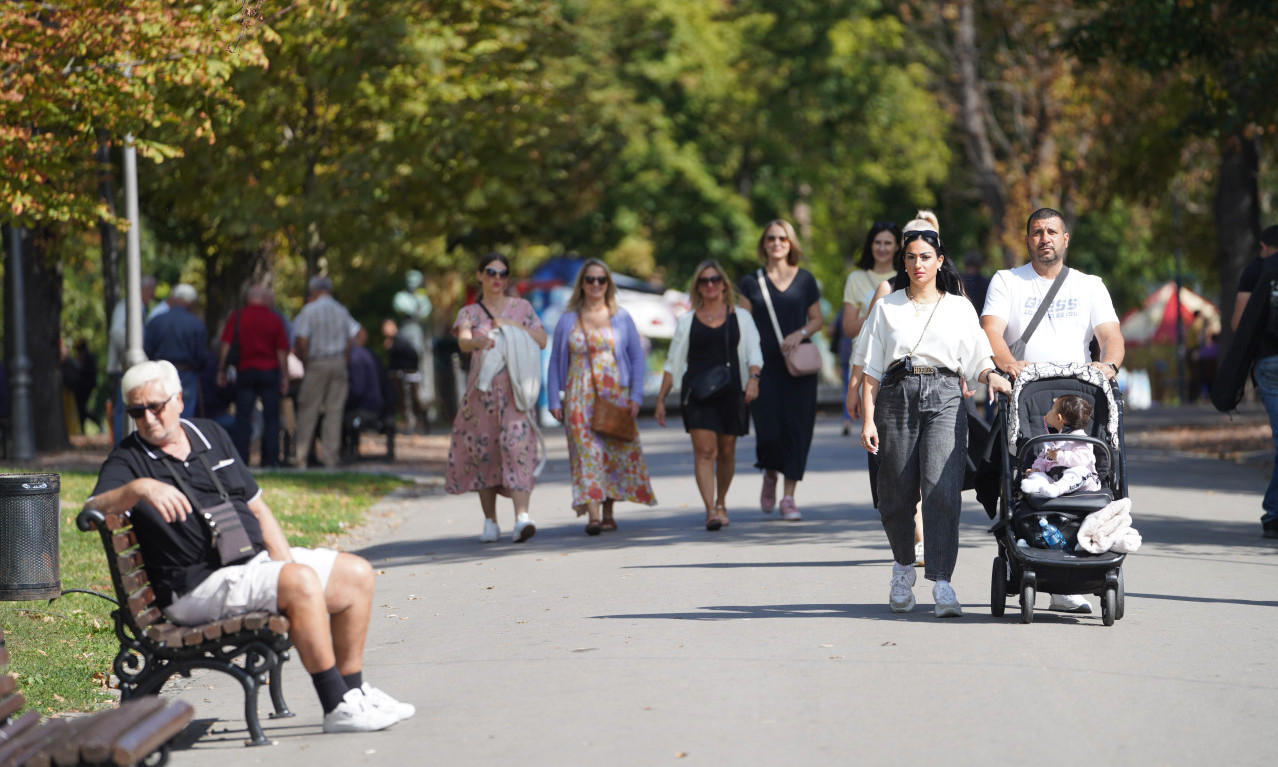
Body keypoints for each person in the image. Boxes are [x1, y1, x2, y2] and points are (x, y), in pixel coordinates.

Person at [82, 360, 413, 733]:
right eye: (136, 411)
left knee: (357, 574)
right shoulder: (130, 458)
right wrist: (138, 488)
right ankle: (335, 705)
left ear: (179, 400)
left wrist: (284, 565)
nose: (148, 418)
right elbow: (91, 508)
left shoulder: (209, 434)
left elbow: (257, 507)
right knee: (299, 581)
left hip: (247, 564)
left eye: (155, 407)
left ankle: (354, 693)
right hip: (194, 588)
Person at [857, 228, 1011, 617]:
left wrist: (990, 375)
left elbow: (978, 357)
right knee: (894, 493)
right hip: (896, 396)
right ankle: (903, 567)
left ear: (939, 261)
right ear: (903, 263)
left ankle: (942, 582)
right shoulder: (886, 307)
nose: (918, 264)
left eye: (926, 257)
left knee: (941, 489)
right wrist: (867, 420)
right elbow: (871, 371)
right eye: (911, 257)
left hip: (944, 395)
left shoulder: (958, 306)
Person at [981, 207, 1126, 610]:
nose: (1044, 238)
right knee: (1027, 474)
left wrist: (1109, 365)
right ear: (1028, 240)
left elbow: (1110, 335)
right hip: (1026, 394)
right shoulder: (1007, 281)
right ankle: (1034, 550)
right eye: (1036, 232)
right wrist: (1006, 362)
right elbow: (991, 329)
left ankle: (1072, 573)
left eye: (1052, 232)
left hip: (1077, 398)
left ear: (1065, 239)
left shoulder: (1089, 285)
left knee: (1082, 475)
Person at [846, 211, 936, 565]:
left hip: (939, 391)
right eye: (912, 244)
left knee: (933, 471)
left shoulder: (951, 289)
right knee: (902, 473)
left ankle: (927, 538)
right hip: (895, 389)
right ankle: (919, 540)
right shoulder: (887, 290)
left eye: (928, 241)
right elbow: (867, 345)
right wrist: (855, 385)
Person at [547, 258, 657, 534]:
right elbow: (556, 359)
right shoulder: (567, 319)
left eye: (601, 280)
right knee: (587, 454)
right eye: (590, 279)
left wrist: (636, 395)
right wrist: (552, 398)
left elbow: (636, 356)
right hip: (578, 396)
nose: (596, 284)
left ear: (608, 284)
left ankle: (608, 513)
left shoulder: (620, 316)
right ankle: (593, 514)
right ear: (582, 284)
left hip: (614, 394)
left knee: (611, 453)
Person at [446, 253, 547, 543]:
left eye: (503, 274)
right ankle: (490, 521)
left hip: (516, 392)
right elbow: (463, 341)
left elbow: (541, 340)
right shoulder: (469, 313)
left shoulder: (522, 308)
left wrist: (512, 326)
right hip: (482, 395)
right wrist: (475, 340)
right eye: (491, 272)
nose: (497, 278)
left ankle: (522, 518)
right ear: (480, 275)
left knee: (518, 448)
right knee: (484, 454)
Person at [654, 260, 763, 530]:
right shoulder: (686, 320)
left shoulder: (741, 317)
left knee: (726, 452)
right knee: (704, 451)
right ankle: (710, 509)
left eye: (715, 279)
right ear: (697, 287)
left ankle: (722, 500)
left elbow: (754, 353)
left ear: (724, 284)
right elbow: (673, 362)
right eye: (704, 281)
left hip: (731, 392)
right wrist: (660, 399)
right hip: (697, 393)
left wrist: (753, 379)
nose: (710, 284)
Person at [738, 220, 823, 521]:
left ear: (791, 244)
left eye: (783, 239)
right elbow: (744, 326)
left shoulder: (805, 280)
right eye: (771, 238)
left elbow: (816, 320)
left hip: (798, 366)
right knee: (769, 430)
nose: (777, 243)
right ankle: (770, 473)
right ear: (764, 244)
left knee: (797, 431)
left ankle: (788, 497)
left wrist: (799, 332)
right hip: (764, 366)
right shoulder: (750, 282)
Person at [1228, 224, 1278, 538]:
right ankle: (1273, 513)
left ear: (1263, 245)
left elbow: (1238, 323)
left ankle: (1273, 514)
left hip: (1270, 363)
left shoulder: (1255, 270)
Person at [841, 221, 902, 437]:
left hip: (895, 361)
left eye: (888, 243)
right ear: (870, 245)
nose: (882, 248)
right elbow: (848, 328)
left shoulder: (907, 276)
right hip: (864, 359)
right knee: (872, 431)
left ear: (897, 246)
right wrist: (874, 315)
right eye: (877, 242)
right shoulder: (856, 279)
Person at [217, 285, 289, 467]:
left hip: (246, 372)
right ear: (264, 298)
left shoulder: (238, 316)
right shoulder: (274, 318)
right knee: (271, 418)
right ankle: (271, 459)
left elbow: (225, 344)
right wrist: (285, 376)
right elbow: (282, 351)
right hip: (269, 372)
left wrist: (221, 369)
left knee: (243, 417)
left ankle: (242, 459)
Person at [292, 276, 356, 469]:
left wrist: (305, 362)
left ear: (314, 290)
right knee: (334, 413)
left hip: (317, 362)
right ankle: (331, 458)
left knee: (307, 411)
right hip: (338, 362)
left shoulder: (309, 310)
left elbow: (302, 340)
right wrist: (343, 360)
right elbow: (354, 337)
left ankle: (300, 458)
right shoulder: (341, 310)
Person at [143, 284, 208, 420]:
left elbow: (147, 349)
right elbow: (202, 356)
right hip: (187, 374)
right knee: (185, 412)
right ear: (191, 303)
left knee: (160, 410)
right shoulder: (196, 324)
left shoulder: (156, 321)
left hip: (159, 373)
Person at [1020, 394, 1101, 498]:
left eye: (1051, 409)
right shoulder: (1051, 440)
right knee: (1038, 475)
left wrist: (1059, 456)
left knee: (1079, 472)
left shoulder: (1081, 439)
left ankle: (1059, 488)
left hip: (1081, 484)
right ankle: (1037, 484)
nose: (1047, 412)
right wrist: (1037, 468)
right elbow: (1042, 458)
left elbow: (1083, 459)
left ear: (1059, 418)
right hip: (1053, 481)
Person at [107, 275, 157, 444]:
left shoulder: (137, 307)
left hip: (130, 367)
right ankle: (121, 447)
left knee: (129, 408)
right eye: (151, 291)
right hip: (126, 367)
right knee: (125, 409)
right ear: (144, 290)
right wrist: (132, 352)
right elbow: (116, 332)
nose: (152, 295)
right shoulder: (129, 306)